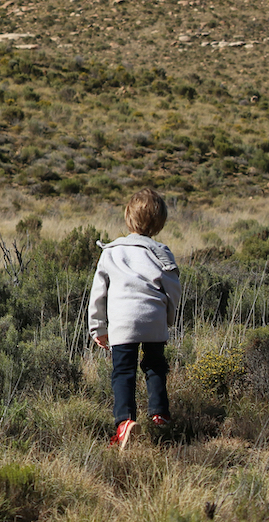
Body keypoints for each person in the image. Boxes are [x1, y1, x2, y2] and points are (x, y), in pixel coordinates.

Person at [88, 187, 182, 448]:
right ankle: (160, 414)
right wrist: (168, 317)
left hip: (123, 322)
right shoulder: (162, 252)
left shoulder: (111, 251)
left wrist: (98, 328)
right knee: (155, 366)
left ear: (128, 218)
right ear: (160, 223)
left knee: (123, 372)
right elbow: (173, 289)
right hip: (153, 319)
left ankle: (125, 423)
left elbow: (98, 294)